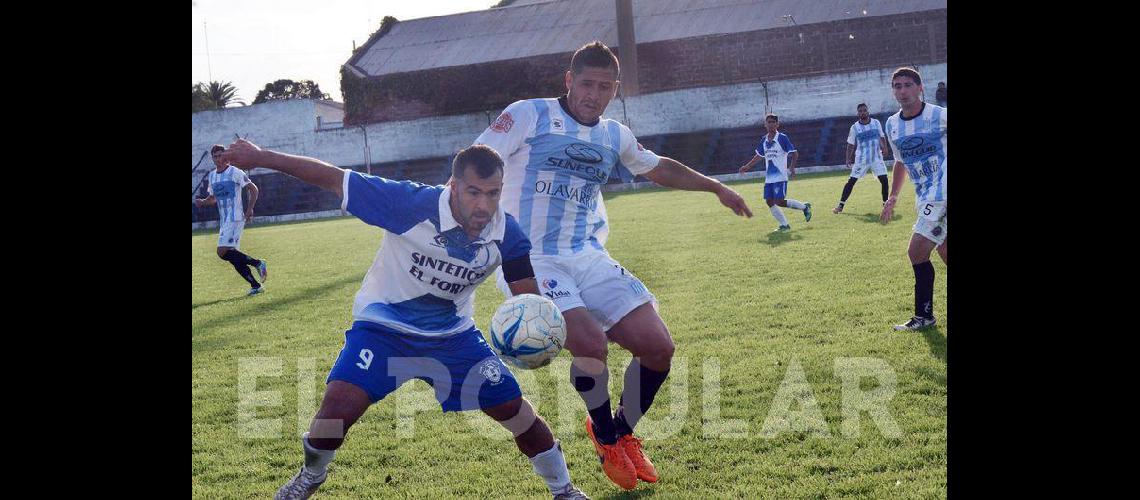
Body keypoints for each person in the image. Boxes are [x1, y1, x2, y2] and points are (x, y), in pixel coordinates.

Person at [218, 140, 590, 500]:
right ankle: (311, 475)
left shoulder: (507, 233)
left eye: (493, 194)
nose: (483, 205)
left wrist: (539, 334)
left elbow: (528, 299)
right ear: (453, 186)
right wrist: (261, 157)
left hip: (453, 337)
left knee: (514, 410)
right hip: (383, 329)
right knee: (336, 412)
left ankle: (565, 490)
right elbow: (331, 177)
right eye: (474, 192)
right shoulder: (407, 203)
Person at [474, 41, 752, 491]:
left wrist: (715, 186)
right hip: (533, 258)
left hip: (588, 255)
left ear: (615, 89)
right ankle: (606, 437)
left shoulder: (613, 135)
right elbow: (478, 160)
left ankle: (622, 431)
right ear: (569, 80)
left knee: (658, 347)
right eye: (586, 83)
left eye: (605, 87)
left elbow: (658, 167)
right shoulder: (529, 115)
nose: (593, 94)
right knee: (589, 344)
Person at [879, 68, 947, 331]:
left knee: (916, 250)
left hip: (942, 193)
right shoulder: (892, 124)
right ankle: (925, 317)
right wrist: (893, 196)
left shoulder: (939, 115)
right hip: (925, 195)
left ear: (920, 88)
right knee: (944, 250)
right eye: (897, 86)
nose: (902, 90)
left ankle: (923, 317)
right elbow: (899, 161)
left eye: (908, 85)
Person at [194, 144, 268, 295]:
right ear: (212, 158)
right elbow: (213, 198)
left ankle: (258, 263)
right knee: (233, 256)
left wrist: (249, 209)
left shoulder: (234, 172)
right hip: (225, 219)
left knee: (222, 252)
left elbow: (253, 189)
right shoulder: (212, 176)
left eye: (221, 155)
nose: (218, 158)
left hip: (235, 217)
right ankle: (255, 286)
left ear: (226, 156)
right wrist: (203, 202)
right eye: (215, 156)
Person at [738, 113, 811, 231]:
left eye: (773, 122)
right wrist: (747, 166)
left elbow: (795, 153)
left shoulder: (782, 138)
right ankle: (784, 225)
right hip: (769, 178)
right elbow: (759, 155)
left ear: (777, 124)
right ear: (765, 124)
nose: (771, 124)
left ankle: (804, 207)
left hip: (780, 177)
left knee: (779, 201)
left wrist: (792, 168)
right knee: (769, 201)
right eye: (768, 122)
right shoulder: (764, 139)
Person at [834, 103, 891, 214]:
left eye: (864, 110)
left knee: (884, 180)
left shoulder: (876, 123)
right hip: (861, 159)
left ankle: (886, 205)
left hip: (876, 157)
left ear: (868, 112)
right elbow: (850, 144)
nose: (863, 112)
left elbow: (881, 136)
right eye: (860, 111)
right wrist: (848, 158)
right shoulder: (855, 127)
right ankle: (840, 206)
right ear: (858, 113)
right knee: (851, 181)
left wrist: (885, 148)